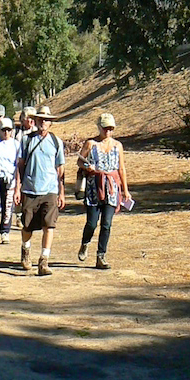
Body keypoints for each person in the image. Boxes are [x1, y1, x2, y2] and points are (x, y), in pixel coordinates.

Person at [14, 108, 66, 276]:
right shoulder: (26, 140)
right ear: (35, 121)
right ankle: (26, 250)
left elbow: (60, 170)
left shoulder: (56, 142)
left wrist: (61, 192)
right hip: (30, 188)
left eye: (46, 120)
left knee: (49, 225)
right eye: (40, 119)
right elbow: (19, 165)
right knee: (27, 226)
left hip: (50, 190)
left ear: (50, 122)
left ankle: (44, 260)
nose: (43, 122)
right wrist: (17, 188)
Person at [77, 112, 131, 270]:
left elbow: (121, 168)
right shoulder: (91, 144)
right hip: (94, 188)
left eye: (110, 128)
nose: (108, 131)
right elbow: (80, 161)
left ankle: (101, 256)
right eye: (105, 128)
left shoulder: (117, 146)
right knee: (92, 223)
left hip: (112, 188)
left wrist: (125, 191)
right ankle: (85, 243)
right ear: (99, 127)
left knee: (106, 224)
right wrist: (88, 167)